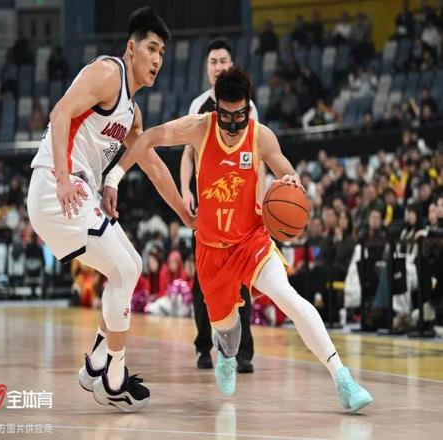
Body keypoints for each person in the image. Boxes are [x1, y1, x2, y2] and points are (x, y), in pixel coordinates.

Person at [106, 67, 373, 412]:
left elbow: (288, 174)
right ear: (216, 108)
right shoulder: (199, 128)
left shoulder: (261, 136)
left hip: (251, 241)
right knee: (228, 332)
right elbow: (147, 139)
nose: (233, 126)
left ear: (248, 108)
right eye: (226, 117)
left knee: (288, 298)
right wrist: (114, 177)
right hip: (211, 251)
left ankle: (343, 379)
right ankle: (227, 354)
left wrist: (292, 183)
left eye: (240, 116)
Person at [27, 7, 194, 413]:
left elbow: (152, 165)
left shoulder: (132, 113)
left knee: (130, 266)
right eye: (151, 49)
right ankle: (113, 379)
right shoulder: (107, 73)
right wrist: (63, 178)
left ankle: (96, 365)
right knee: (126, 269)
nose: (157, 59)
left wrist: (186, 215)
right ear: (131, 48)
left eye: (162, 53)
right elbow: (60, 113)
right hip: (57, 186)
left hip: (76, 190)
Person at [180, 38, 261, 373]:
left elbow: (258, 155)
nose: (218, 66)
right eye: (213, 61)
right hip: (208, 210)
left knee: (242, 281)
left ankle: (243, 352)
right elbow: (187, 154)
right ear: (206, 68)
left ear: (231, 65)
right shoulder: (198, 106)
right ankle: (204, 347)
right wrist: (185, 190)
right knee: (204, 282)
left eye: (223, 61)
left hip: (239, 210)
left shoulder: (248, 107)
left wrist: (259, 199)